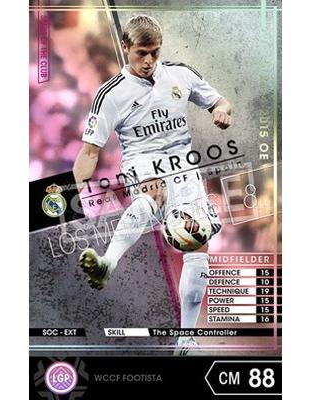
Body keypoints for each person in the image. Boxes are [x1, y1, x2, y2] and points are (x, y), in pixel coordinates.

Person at [73, 15, 232, 355]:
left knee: (197, 244)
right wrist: (78, 199)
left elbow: (220, 102)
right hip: (143, 164)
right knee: (151, 194)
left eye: (155, 53)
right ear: (125, 47)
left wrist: (221, 111)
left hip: (184, 166)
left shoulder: (180, 74)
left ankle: (186, 340)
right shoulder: (111, 94)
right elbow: (89, 152)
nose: (148, 61)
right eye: (141, 53)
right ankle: (107, 263)